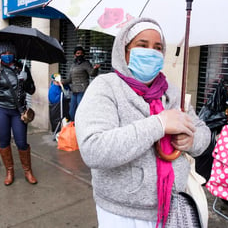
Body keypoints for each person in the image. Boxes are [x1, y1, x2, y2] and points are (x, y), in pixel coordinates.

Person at [75, 17, 211, 227]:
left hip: (173, 207)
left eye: (158, 47)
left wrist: (191, 140)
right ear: (125, 51)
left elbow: (203, 133)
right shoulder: (105, 87)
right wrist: (159, 125)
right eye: (142, 45)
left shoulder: (172, 92)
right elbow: (94, 149)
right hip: (122, 214)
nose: (151, 52)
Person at [0, 41, 37, 186]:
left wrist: (26, 81)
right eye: (4, 53)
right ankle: (10, 171)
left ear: (14, 54)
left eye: (10, 53)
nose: (7, 56)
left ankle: (27, 171)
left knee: (21, 142)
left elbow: (31, 90)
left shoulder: (23, 69)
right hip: (0, 109)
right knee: (4, 141)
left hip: (18, 111)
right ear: (0, 55)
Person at [62, 46, 100, 121]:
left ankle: (81, 127)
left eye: (81, 53)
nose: (80, 55)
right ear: (74, 55)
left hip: (82, 90)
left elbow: (92, 73)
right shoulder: (73, 65)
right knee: (71, 112)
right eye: (78, 53)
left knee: (81, 110)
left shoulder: (86, 63)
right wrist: (61, 81)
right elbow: (70, 79)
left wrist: (95, 68)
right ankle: (73, 127)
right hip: (74, 91)